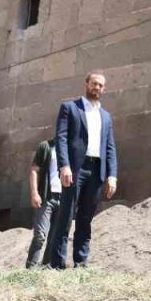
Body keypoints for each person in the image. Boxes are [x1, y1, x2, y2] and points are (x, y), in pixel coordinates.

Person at [43, 71, 118, 269]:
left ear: (104, 89)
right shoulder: (70, 108)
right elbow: (61, 138)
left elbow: (110, 147)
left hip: (97, 170)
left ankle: (80, 262)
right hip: (75, 169)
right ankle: (57, 263)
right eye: (94, 83)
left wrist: (112, 175)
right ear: (86, 84)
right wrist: (64, 166)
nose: (97, 88)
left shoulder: (106, 117)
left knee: (86, 218)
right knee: (66, 215)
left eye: (101, 85)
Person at [25, 136, 62, 268]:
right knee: (40, 235)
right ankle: (30, 269)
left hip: (64, 198)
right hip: (47, 196)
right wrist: (35, 193)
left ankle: (46, 267)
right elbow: (34, 170)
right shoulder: (46, 146)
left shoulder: (72, 149)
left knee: (55, 237)